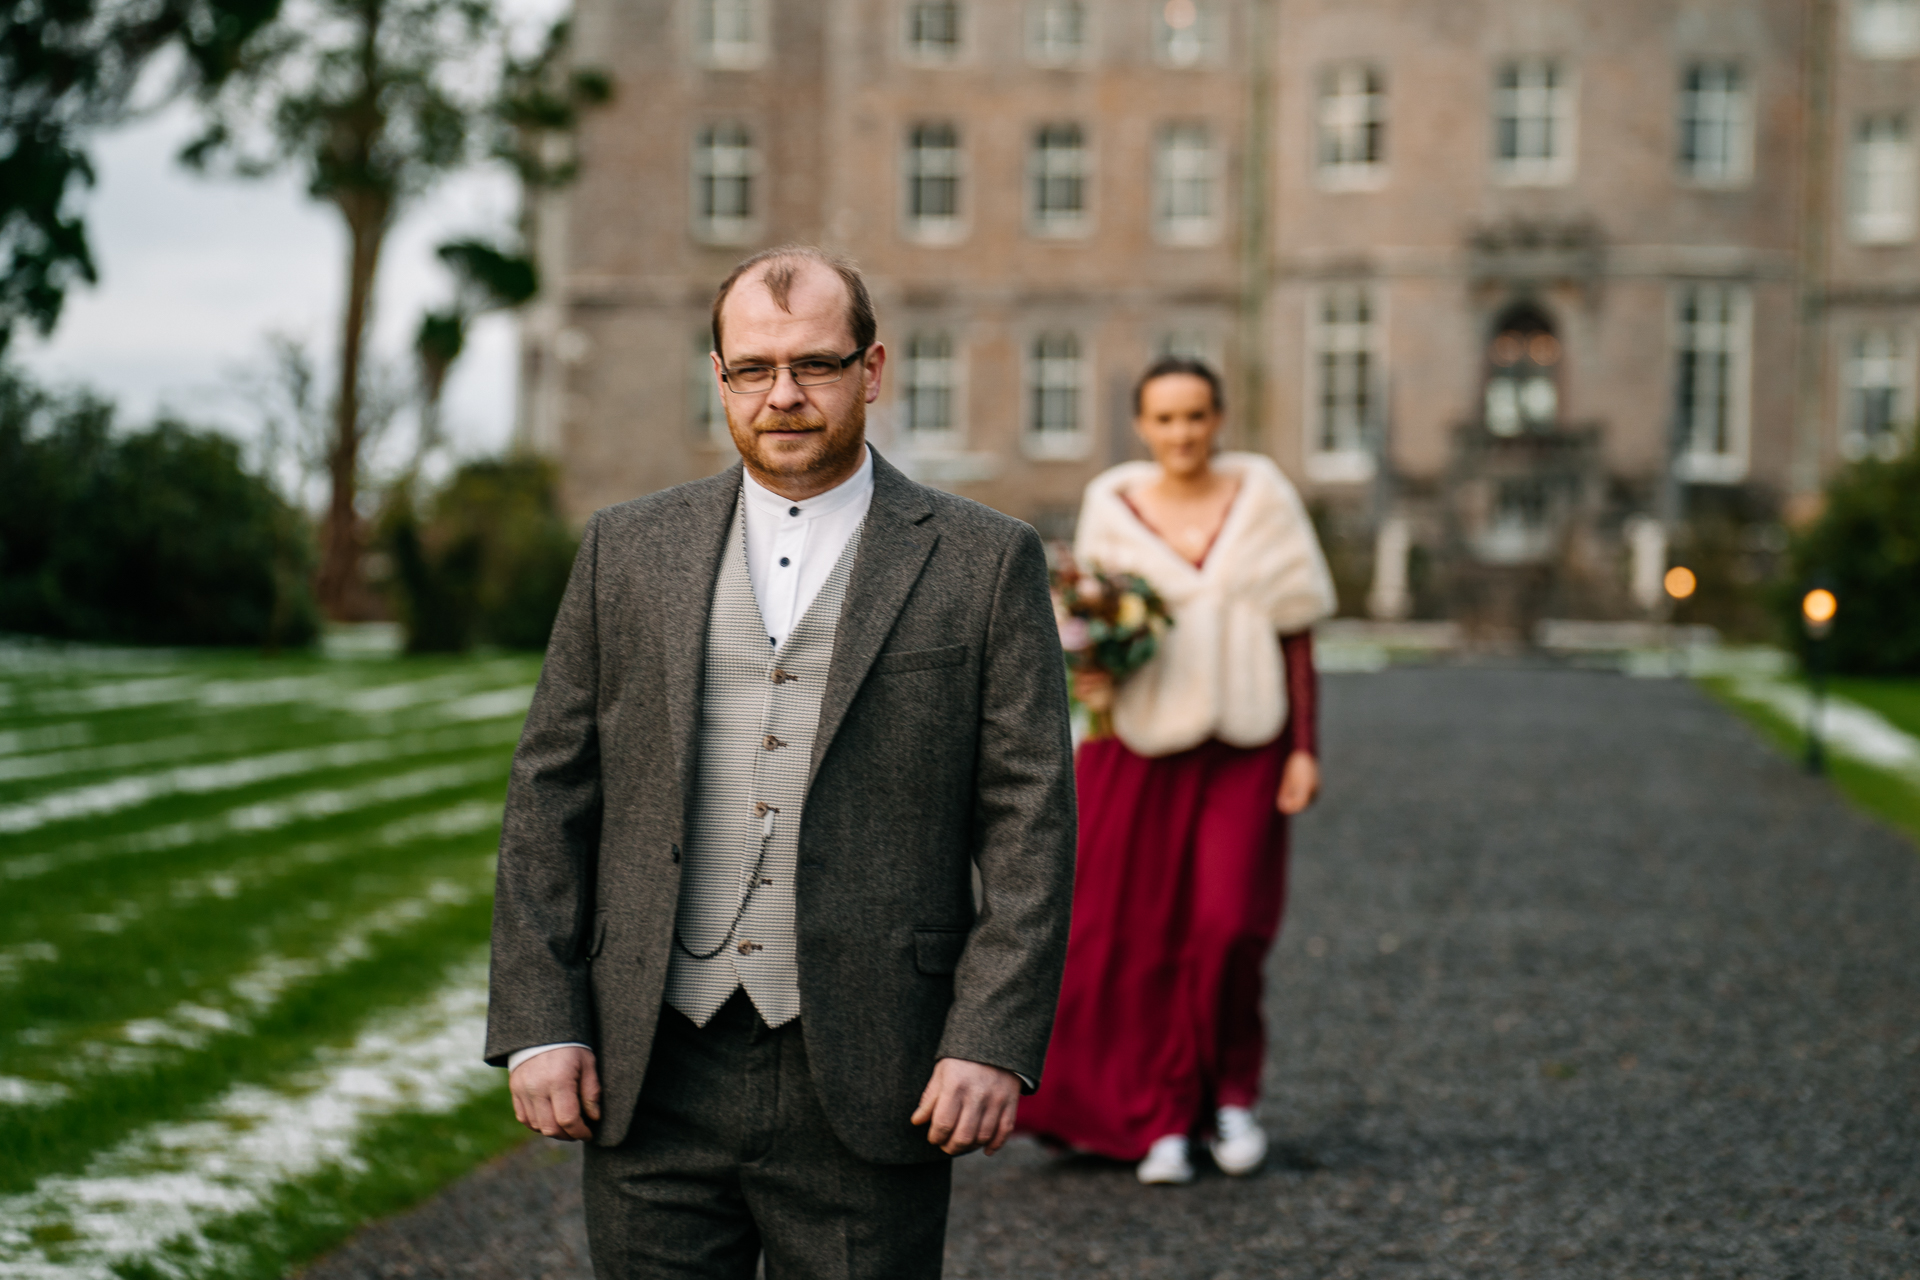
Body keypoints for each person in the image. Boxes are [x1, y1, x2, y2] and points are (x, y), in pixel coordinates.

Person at [485, 244, 1077, 1279]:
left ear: (873, 369)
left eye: (816, 363)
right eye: (753, 368)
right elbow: (550, 790)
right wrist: (539, 1021)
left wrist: (988, 1035)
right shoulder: (627, 548)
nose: (785, 394)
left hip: (878, 1063)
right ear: (718, 376)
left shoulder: (985, 561)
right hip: (650, 1061)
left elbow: (1030, 820)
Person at [1016, 357, 1335, 1186]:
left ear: (1219, 417)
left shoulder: (1263, 495)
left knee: (1229, 929)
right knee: (1132, 935)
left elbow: (1297, 632)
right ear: (1142, 425)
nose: (1182, 434)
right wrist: (1087, 669)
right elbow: (1089, 629)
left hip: (1247, 744)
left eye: (1196, 416)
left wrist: (1305, 746)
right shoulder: (1111, 505)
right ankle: (1156, 1118)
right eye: (1165, 419)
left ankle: (1228, 1098)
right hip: (1139, 744)